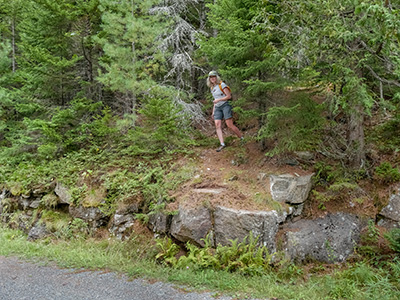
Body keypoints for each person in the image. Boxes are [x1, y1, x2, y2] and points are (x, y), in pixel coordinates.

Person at [207, 70, 243, 152]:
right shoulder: (212, 88)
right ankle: (222, 144)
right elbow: (215, 100)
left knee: (229, 124)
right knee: (217, 124)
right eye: (211, 77)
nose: (212, 78)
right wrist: (213, 111)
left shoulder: (222, 85)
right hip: (217, 107)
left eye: (214, 76)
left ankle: (241, 138)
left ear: (216, 77)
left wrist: (219, 100)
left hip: (225, 105)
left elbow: (228, 96)